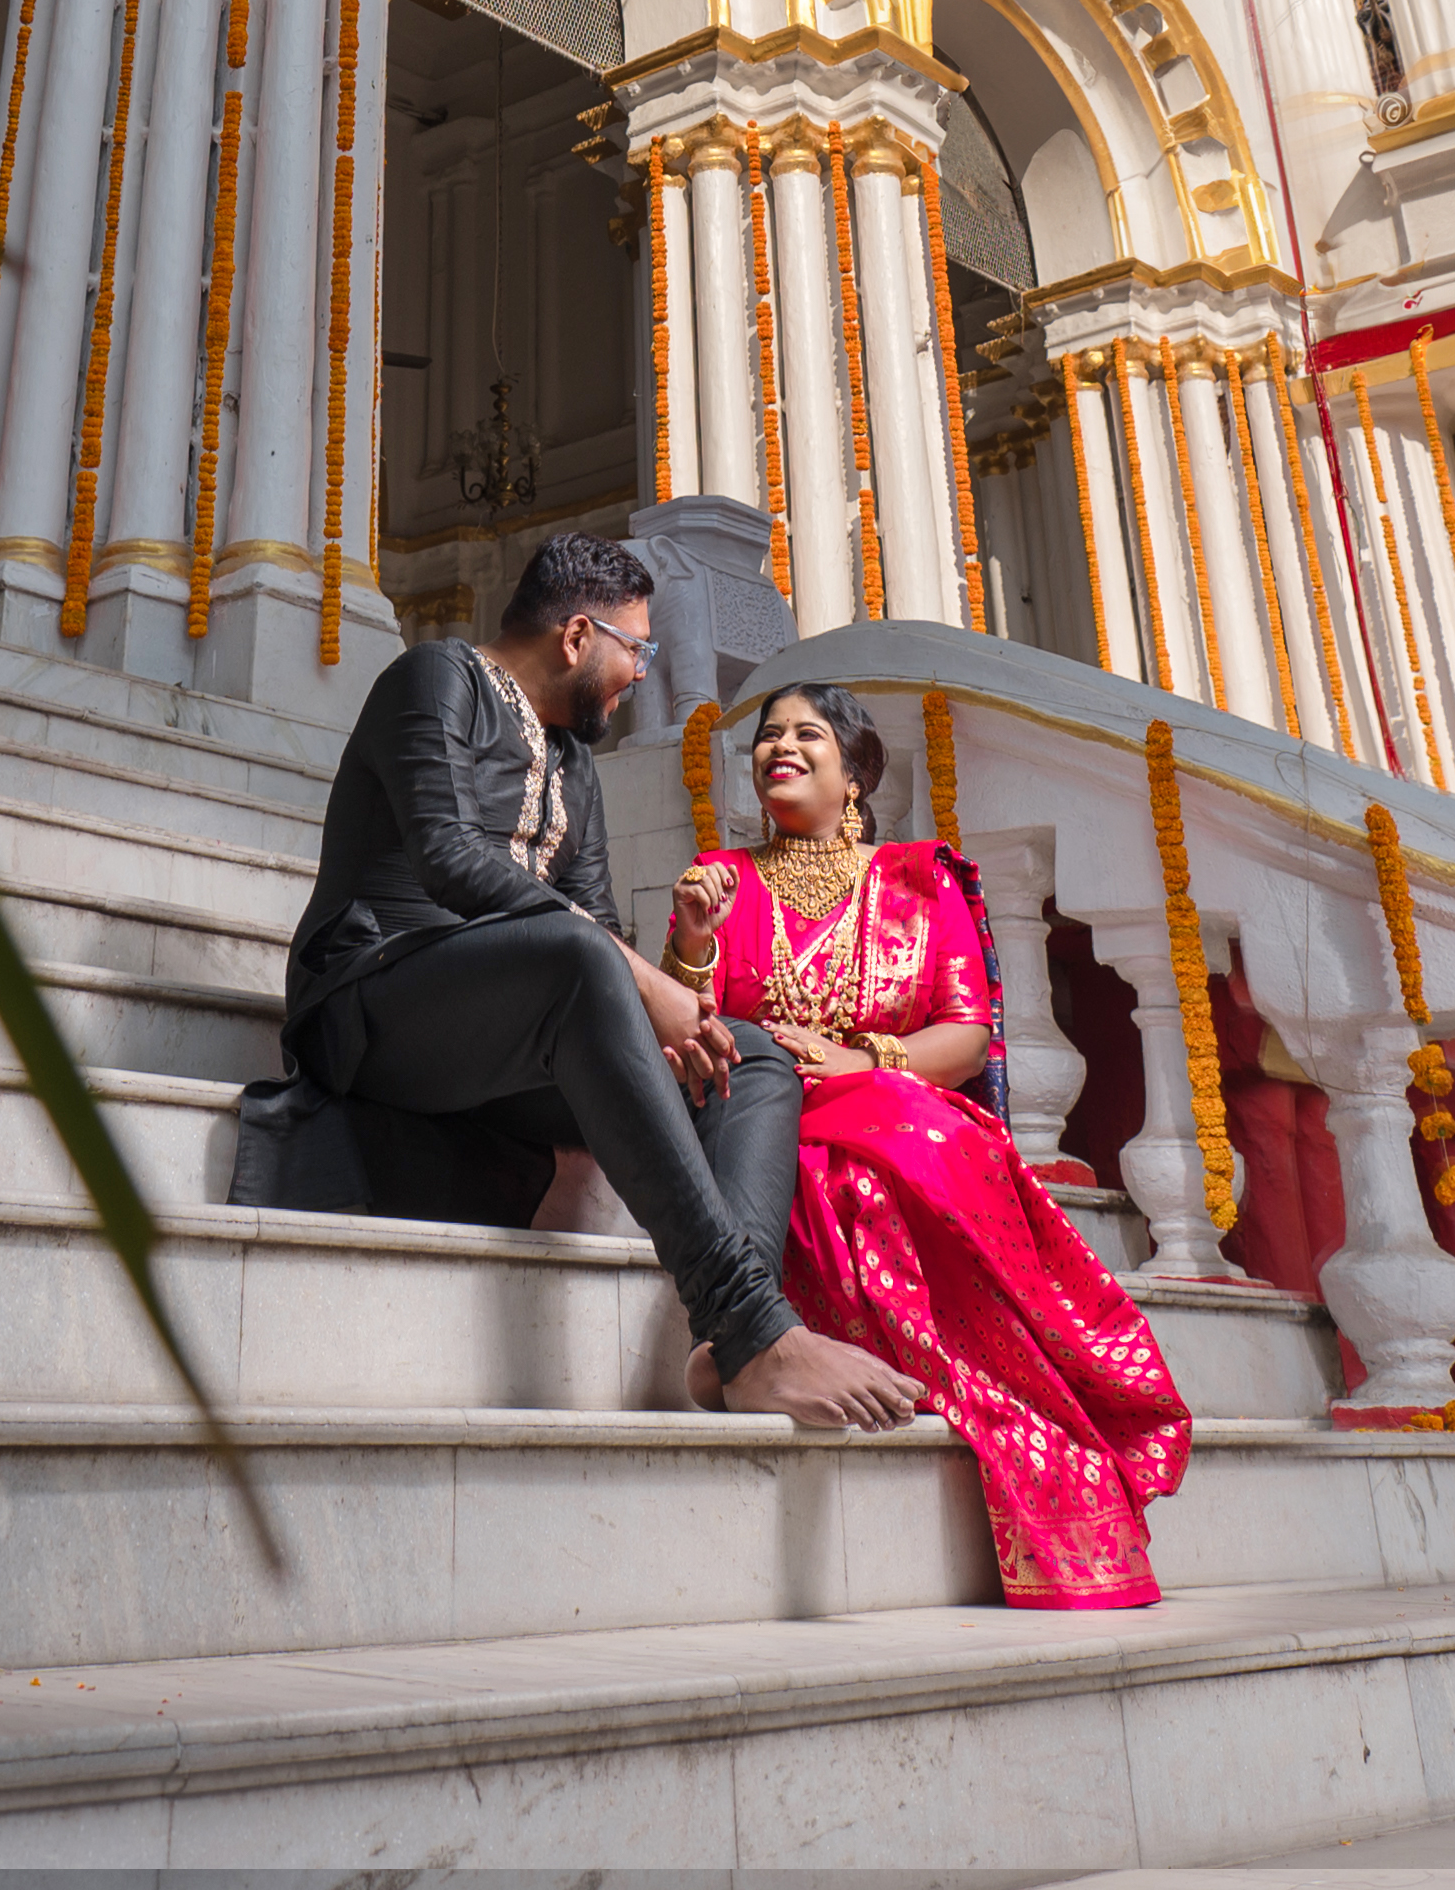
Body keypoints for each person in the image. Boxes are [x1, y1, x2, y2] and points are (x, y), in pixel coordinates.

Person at [276, 536, 923, 1432]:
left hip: (515, 1036)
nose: (639, 675)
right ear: (579, 636)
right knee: (582, 960)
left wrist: (667, 1015)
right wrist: (636, 978)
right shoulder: (436, 679)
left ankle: (729, 1346)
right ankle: (751, 1325)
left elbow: (596, 921)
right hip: (375, 998)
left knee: (756, 1057)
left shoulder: (575, 763)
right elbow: (449, 858)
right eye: (638, 651)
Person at [667, 682, 1194, 1604]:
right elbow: (691, 1033)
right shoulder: (722, 879)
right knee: (839, 1178)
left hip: (892, 1099)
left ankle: (1006, 1391)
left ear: (855, 774)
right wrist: (695, 941)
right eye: (767, 737)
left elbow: (966, 1034)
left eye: (807, 734)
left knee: (923, 1146)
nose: (780, 747)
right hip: (765, 1114)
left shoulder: (918, 877)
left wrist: (859, 1061)